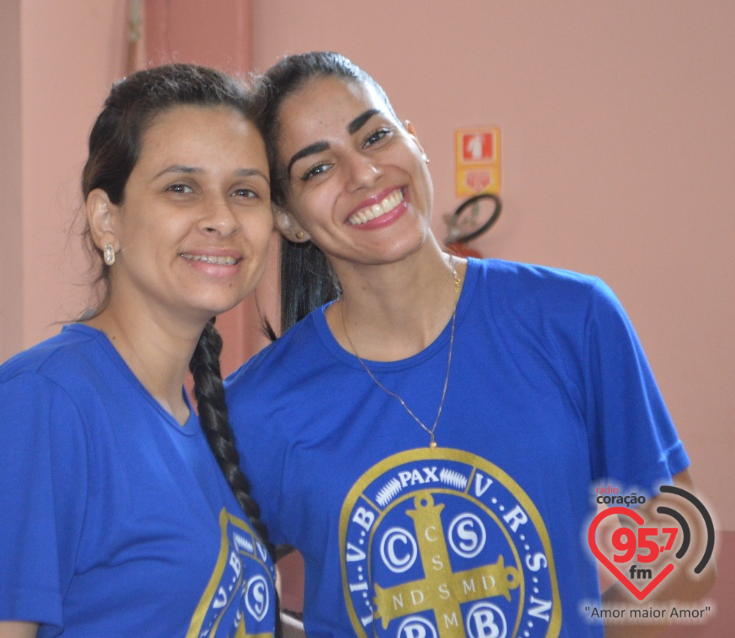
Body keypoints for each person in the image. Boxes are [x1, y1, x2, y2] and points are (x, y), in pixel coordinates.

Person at [225, 52, 715, 637]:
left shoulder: (573, 319)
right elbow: (207, 601)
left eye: (375, 136)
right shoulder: (257, 407)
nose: (363, 173)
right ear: (289, 220)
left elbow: (681, 566)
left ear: (413, 140)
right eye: (317, 169)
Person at [0, 63, 278, 637]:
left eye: (246, 191)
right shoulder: (41, 405)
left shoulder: (199, 425)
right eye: (181, 187)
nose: (222, 218)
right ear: (105, 219)